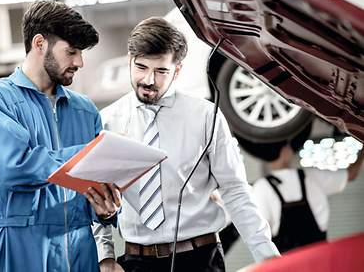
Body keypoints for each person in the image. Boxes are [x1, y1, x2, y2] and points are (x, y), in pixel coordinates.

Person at [93, 17, 280, 272]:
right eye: (141, 67)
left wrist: (269, 258)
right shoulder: (107, 122)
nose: (148, 80)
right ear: (129, 60)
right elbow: (95, 196)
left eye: (161, 71)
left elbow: (235, 190)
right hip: (136, 262)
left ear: (177, 71)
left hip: (200, 259)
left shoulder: (206, 116)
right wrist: (105, 258)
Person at [0, 0, 121, 272]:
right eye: (71, 52)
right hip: (19, 248)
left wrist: (106, 209)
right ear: (39, 44)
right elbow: (13, 167)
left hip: (80, 251)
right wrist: (88, 154)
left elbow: (98, 184)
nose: (79, 62)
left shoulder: (85, 110)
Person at [239, 123, 364, 253]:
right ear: (284, 152)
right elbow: (351, 174)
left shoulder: (261, 188)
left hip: (286, 266)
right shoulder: (310, 176)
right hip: (321, 260)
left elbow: (259, 236)